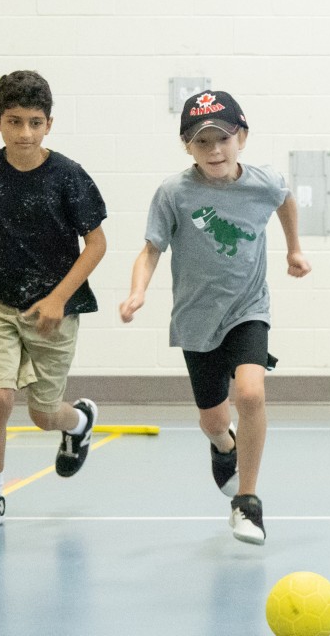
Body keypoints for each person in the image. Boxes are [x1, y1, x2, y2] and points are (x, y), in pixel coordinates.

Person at [119, 90, 310, 544]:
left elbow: (284, 198)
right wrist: (137, 291)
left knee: (250, 393)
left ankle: (247, 502)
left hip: (248, 309)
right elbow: (150, 250)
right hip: (195, 318)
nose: (214, 150)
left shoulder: (262, 182)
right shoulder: (174, 193)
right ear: (188, 147)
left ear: (241, 136)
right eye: (202, 142)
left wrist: (295, 248)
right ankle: (224, 446)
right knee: (211, 419)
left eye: (222, 139)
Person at [0, 70, 108, 531]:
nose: (24, 133)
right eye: (14, 122)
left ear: (49, 125)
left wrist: (58, 298)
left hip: (53, 312)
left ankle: (77, 423)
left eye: (35, 123)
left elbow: (96, 244)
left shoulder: (68, 177)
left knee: (41, 415)